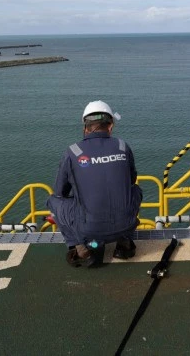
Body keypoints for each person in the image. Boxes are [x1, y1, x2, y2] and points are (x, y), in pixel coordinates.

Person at [46, 100, 142, 267]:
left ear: (85, 127)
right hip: (126, 224)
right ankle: (124, 242)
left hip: (88, 229)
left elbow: (60, 192)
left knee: (53, 201)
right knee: (136, 190)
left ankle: (81, 249)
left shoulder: (73, 151)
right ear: (111, 126)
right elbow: (131, 181)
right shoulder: (122, 146)